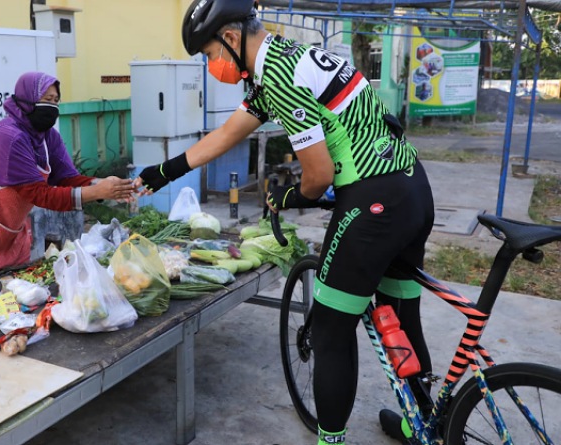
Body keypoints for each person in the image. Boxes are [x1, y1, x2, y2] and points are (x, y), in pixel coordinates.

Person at [133, 1, 435, 444]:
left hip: (372, 202)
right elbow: (225, 134)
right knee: (403, 313)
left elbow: (317, 178)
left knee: (331, 332)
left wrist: (288, 197)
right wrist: (162, 173)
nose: (211, 65)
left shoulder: (280, 78)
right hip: (412, 190)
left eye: (210, 54)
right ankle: (422, 424)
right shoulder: (284, 61)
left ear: (231, 39)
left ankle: (330, 440)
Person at [0, 71, 134, 285]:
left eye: (56, 101)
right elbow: (40, 195)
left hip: (6, 220)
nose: (52, 107)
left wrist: (103, 185)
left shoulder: (48, 137)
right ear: (26, 99)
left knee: (12, 283)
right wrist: (95, 192)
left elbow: (67, 178)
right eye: (47, 100)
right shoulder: (9, 138)